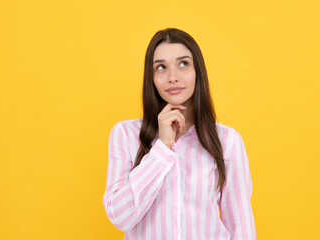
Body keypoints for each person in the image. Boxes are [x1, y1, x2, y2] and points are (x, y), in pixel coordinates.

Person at [103, 28, 256, 240]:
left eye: (183, 64)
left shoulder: (227, 141)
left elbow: (241, 227)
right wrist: (162, 149)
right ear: (152, 77)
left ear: (197, 72)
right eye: (161, 67)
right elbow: (120, 218)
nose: (172, 77)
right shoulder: (125, 135)